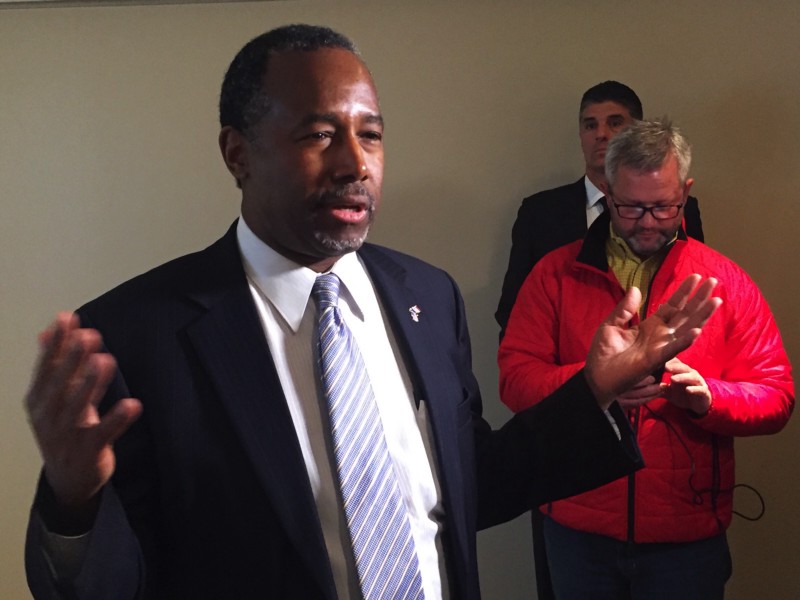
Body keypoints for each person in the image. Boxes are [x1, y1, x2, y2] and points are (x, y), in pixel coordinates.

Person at [24, 26, 720, 600]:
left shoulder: (428, 298)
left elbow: (471, 484)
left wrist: (594, 390)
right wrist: (73, 504)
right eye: (319, 135)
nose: (355, 163)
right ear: (238, 153)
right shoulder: (135, 338)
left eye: (372, 135)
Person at [499, 117, 794, 599]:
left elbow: (777, 396)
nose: (649, 222)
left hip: (686, 533)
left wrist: (709, 398)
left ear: (686, 192)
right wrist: (596, 384)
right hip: (577, 525)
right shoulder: (554, 275)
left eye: (664, 207)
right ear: (607, 191)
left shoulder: (725, 281)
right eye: (632, 207)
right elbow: (515, 381)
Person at [495, 81, 705, 338]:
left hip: (661, 350)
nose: (601, 134)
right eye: (590, 125)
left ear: (637, 134)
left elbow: (692, 290)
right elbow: (513, 310)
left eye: (615, 123)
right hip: (567, 357)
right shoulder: (539, 213)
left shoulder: (679, 208)